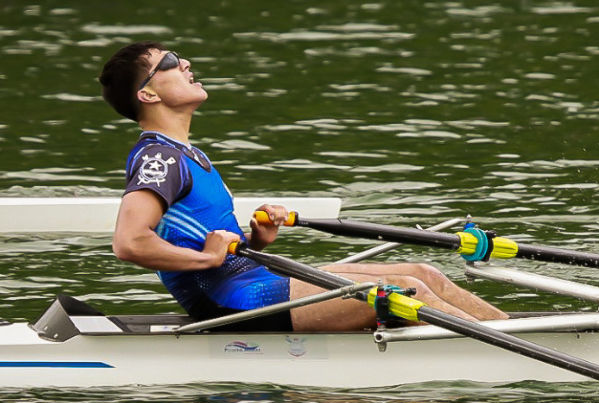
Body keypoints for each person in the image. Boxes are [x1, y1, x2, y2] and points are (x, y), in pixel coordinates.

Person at [98, 41, 506, 331]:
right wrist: (207, 261)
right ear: (148, 93)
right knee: (406, 288)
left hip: (248, 278)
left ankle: (522, 335)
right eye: (170, 60)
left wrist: (254, 240)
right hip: (230, 299)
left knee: (423, 272)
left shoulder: (188, 153)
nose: (185, 61)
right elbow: (129, 243)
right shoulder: (159, 158)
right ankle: (505, 353)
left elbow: (205, 241)